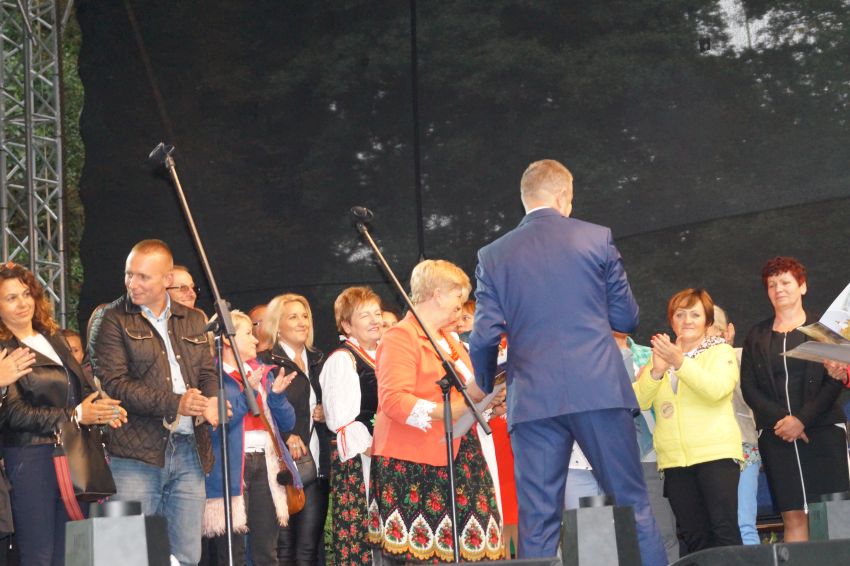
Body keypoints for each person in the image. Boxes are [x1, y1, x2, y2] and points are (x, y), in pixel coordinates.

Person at [468, 159, 665, 565]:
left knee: (538, 522)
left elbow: (484, 336)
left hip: (534, 400)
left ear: (526, 199)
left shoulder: (493, 255)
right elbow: (626, 318)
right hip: (599, 390)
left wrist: (486, 384)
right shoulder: (596, 238)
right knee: (632, 504)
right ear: (563, 196)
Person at [89, 239, 220, 566]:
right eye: (129, 274)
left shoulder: (193, 319)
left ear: (167, 279)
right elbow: (115, 384)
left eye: (143, 277)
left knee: (186, 555)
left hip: (190, 450)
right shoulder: (110, 318)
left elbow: (207, 372)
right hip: (133, 453)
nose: (132, 283)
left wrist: (213, 401)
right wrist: (176, 403)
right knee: (121, 556)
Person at [368, 259, 503, 563]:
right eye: (458, 295)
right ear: (438, 294)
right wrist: (448, 411)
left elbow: (467, 396)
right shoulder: (401, 336)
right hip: (414, 464)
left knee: (475, 551)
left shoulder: (451, 341)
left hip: (462, 455)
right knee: (425, 558)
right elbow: (393, 400)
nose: (461, 305)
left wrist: (490, 401)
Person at [0, 262, 126, 565]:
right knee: (40, 553)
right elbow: (13, 414)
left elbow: (80, 386)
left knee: (74, 551)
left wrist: (102, 408)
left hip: (73, 451)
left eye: (26, 293)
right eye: (11, 298)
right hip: (30, 458)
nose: (23, 303)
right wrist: (76, 414)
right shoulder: (4, 347)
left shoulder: (52, 337)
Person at [740, 256, 850, 542]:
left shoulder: (826, 330)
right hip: (777, 436)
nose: (779, 289)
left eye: (785, 282)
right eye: (772, 284)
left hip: (823, 432)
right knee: (793, 516)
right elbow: (749, 387)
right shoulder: (756, 335)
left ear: (802, 286)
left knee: (834, 516)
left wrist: (801, 420)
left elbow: (835, 381)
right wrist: (784, 421)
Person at [634, 288, 743, 554]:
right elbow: (637, 402)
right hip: (674, 462)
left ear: (707, 321)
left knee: (725, 534)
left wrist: (680, 363)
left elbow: (717, 390)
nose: (687, 320)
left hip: (715, 456)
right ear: (672, 321)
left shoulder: (720, 351)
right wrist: (656, 371)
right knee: (695, 539)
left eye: (695, 314)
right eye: (680, 314)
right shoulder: (660, 356)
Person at [203, 310, 297, 565]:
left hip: (266, 464)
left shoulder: (263, 373)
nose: (256, 340)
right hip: (231, 467)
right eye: (248, 333)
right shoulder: (211, 377)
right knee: (232, 552)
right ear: (226, 339)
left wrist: (277, 397)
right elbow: (222, 420)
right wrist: (248, 392)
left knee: (267, 550)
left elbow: (288, 424)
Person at [257, 293, 328, 565]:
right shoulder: (266, 362)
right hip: (281, 466)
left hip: (315, 463)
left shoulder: (318, 360)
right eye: (293, 317)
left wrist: (325, 412)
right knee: (283, 548)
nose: (302, 322)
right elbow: (262, 411)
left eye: (305, 316)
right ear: (277, 325)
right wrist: (287, 435)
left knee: (309, 549)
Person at [319, 287, 382, 565]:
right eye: (364, 315)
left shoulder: (385, 355)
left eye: (377, 313)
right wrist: (374, 449)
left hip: (387, 456)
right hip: (361, 460)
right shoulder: (343, 359)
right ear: (346, 325)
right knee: (361, 537)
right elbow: (340, 419)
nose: (375, 320)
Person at [708, 306, 761, 546]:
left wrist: (724, 355)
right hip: (705, 453)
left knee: (743, 524)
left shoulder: (740, 356)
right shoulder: (685, 361)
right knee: (715, 527)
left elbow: (752, 399)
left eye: (717, 330)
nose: (712, 337)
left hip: (742, 447)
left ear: (728, 331)